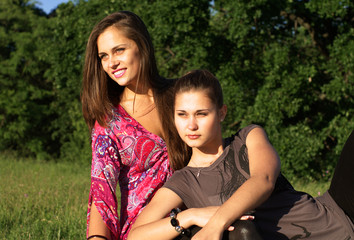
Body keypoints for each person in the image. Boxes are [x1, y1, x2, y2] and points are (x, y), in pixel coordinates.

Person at [128, 69, 354, 240]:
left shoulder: (247, 138)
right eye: (182, 115)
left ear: (221, 113)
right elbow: (135, 235)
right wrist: (190, 216)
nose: (191, 125)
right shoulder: (183, 182)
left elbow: (263, 180)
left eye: (201, 113)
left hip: (338, 213)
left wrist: (217, 221)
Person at [81, 11, 190, 240]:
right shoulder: (109, 121)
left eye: (119, 50)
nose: (111, 62)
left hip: (199, 215)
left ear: (142, 46)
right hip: (145, 231)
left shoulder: (180, 95)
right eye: (103, 56)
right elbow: (103, 191)